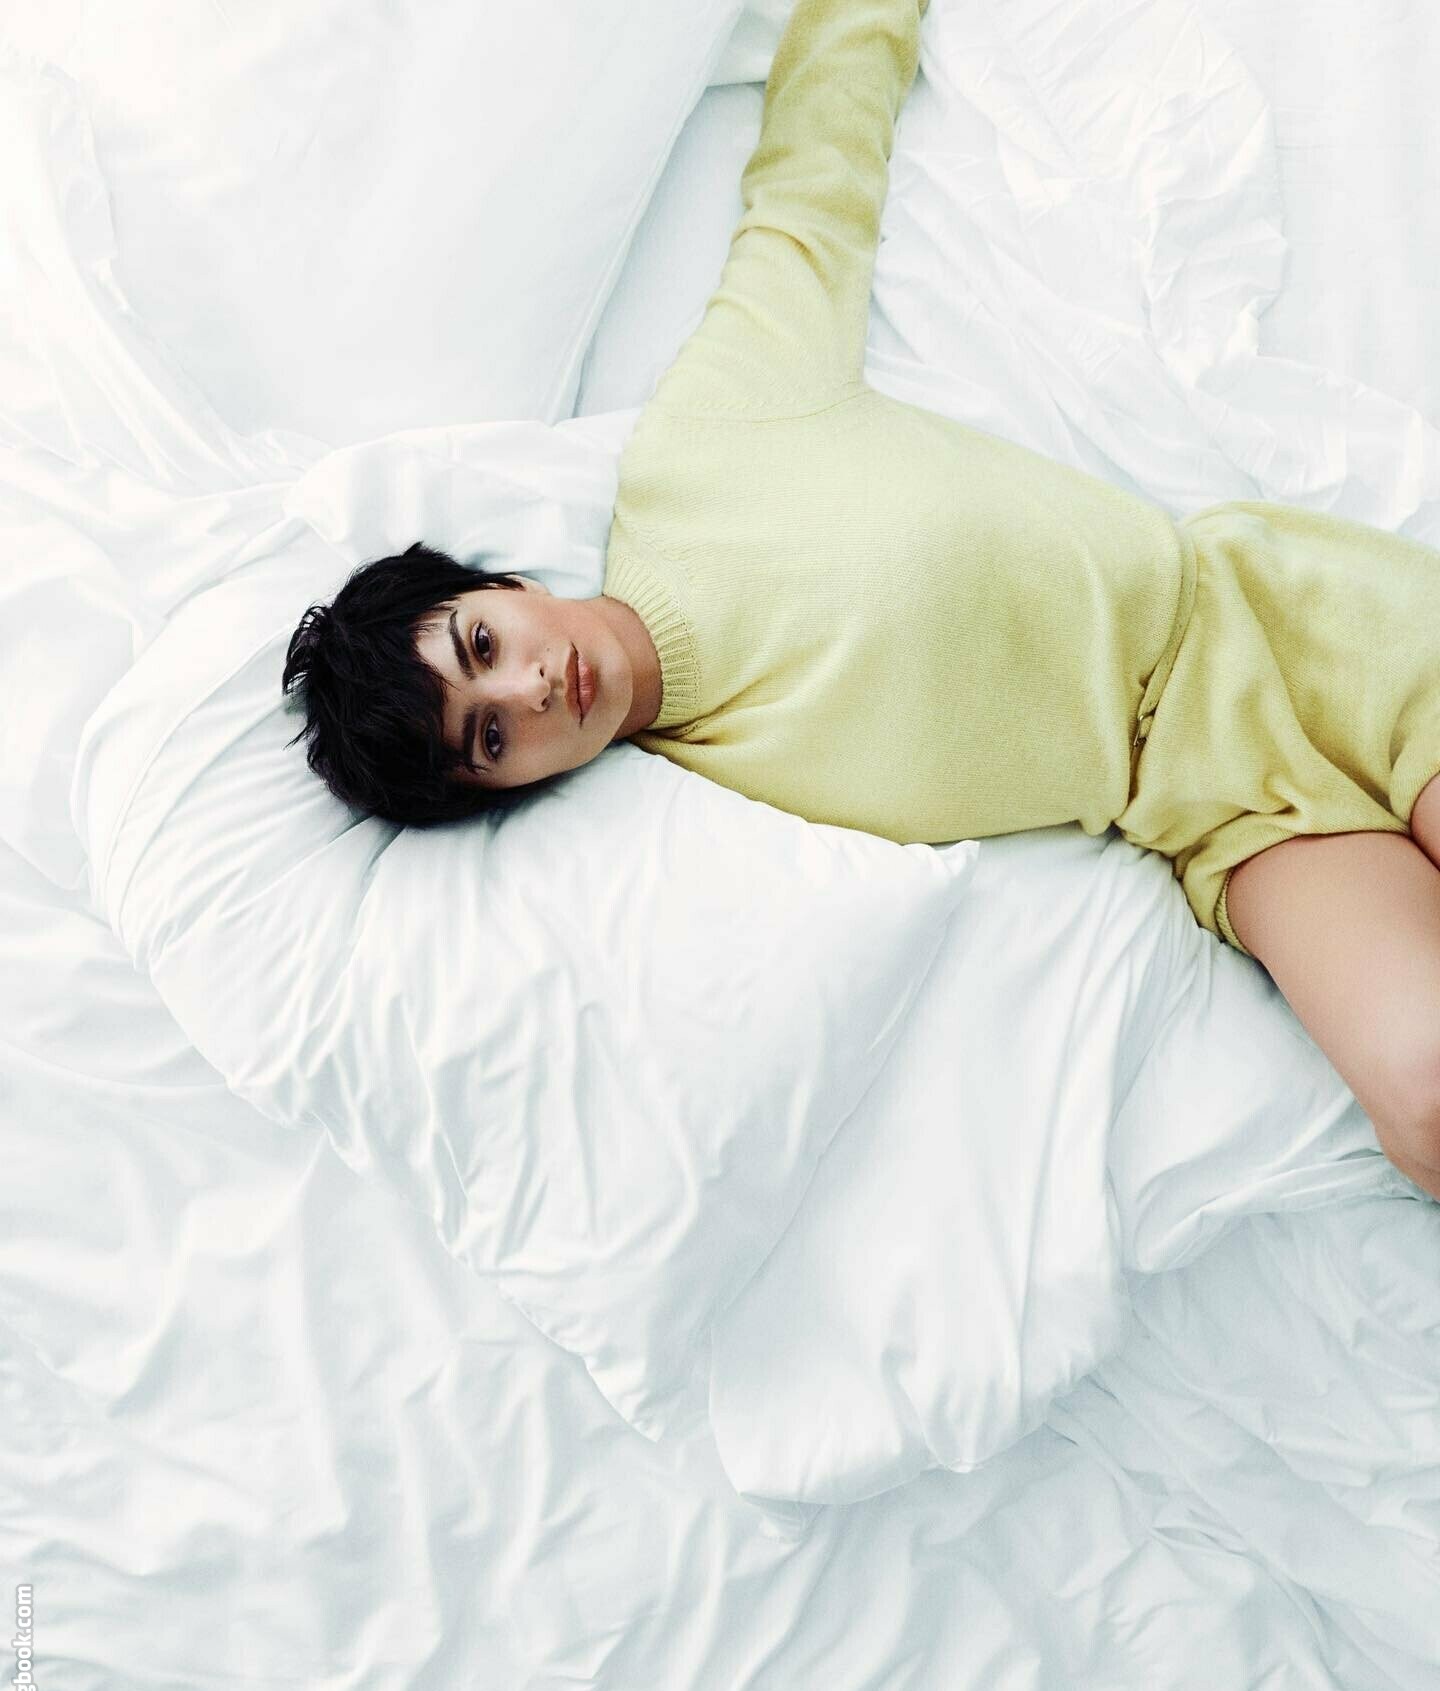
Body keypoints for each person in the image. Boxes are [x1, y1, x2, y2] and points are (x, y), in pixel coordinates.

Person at [283, 0, 1440, 1203]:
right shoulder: (705, 817)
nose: (528, 690)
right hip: (1223, 815)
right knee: (1426, 1102)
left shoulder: (704, 448)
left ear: (505, 586)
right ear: (506, 791)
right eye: (489, 738)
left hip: (1291, 632)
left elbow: (810, 188)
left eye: (482, 643)